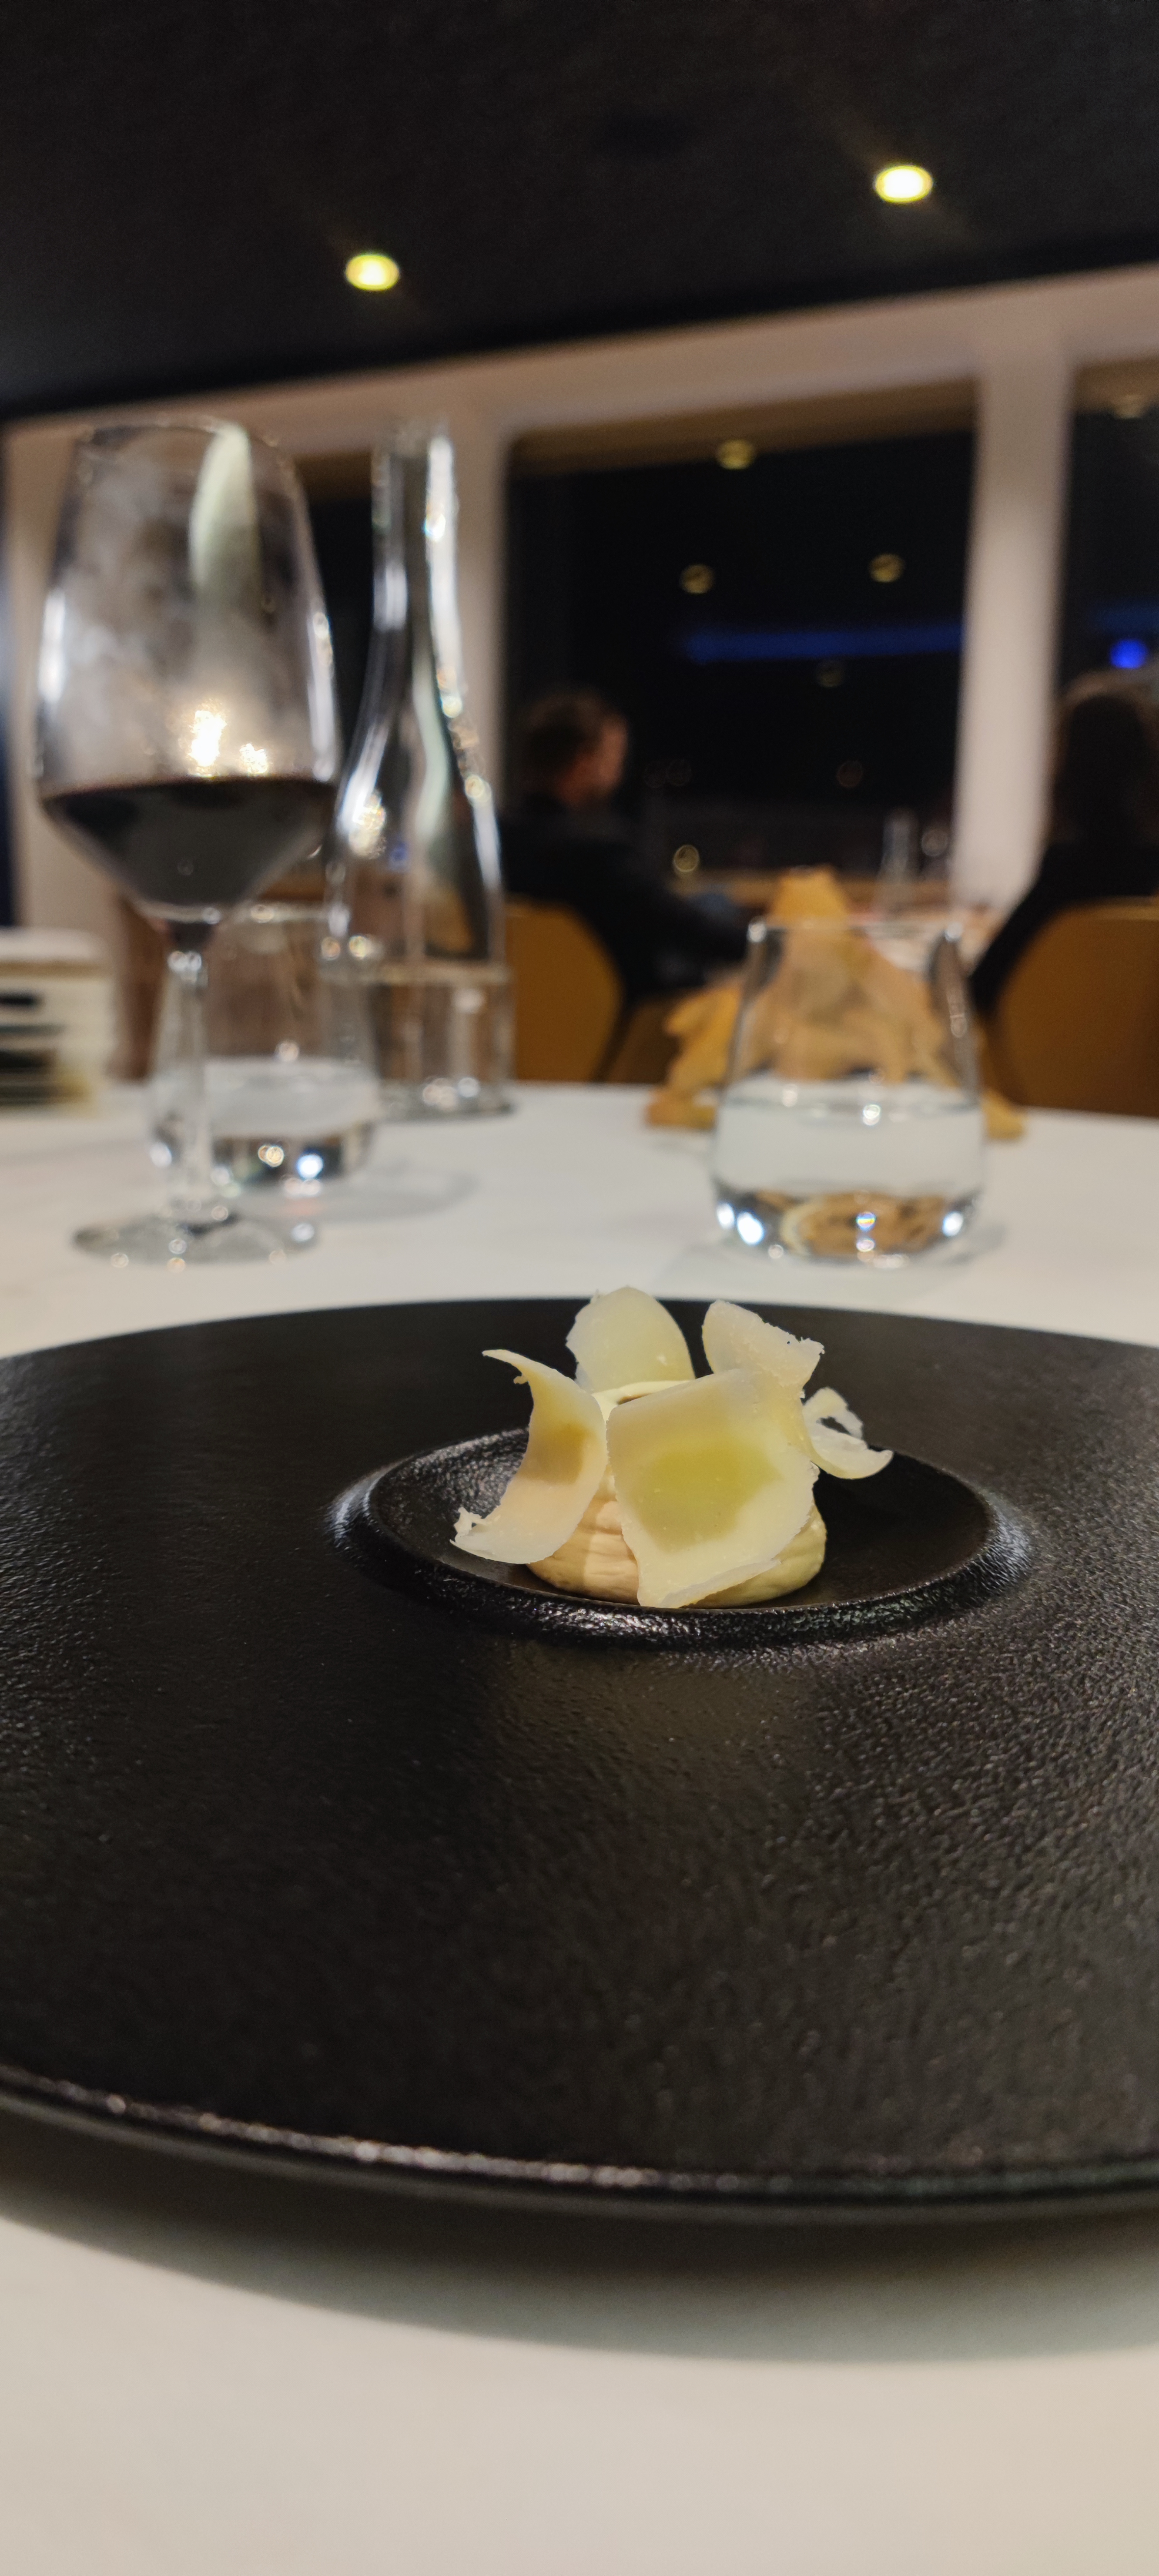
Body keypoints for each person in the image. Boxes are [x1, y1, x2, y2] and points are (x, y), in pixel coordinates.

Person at [499, 689, 749, 1002]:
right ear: (584, 762)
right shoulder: (598, 855)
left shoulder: (493, 845)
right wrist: (772, 945)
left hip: (525, 1018)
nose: (619, 772)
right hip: (625, 1021)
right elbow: (689, 931)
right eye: (614, 756)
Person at [971, 676, 1159, 1019]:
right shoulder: (1148, 874)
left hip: (1039, 1053)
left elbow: (982, 987)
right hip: (1124, 1053)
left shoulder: (1069, 870)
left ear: (1068, 767)